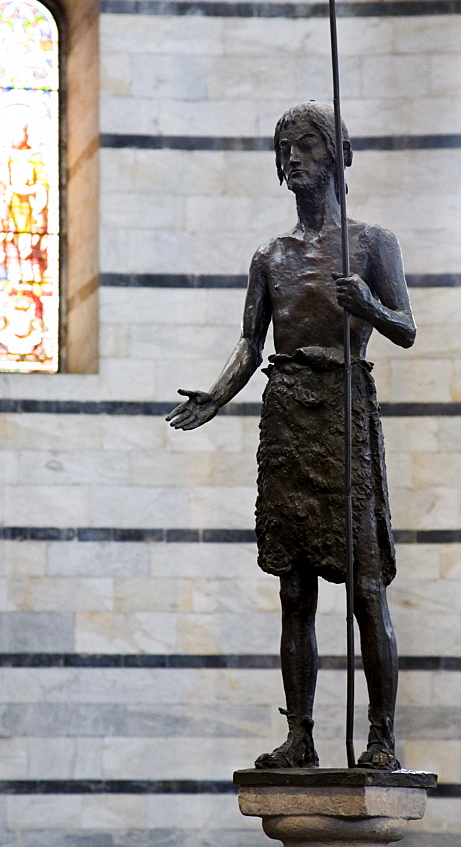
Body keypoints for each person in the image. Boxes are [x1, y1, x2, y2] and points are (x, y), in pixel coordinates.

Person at [166, 101, 415, 770]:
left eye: (305, 145)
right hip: (287, 417)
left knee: (365, 587)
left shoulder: (370, 244)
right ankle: (300, 735)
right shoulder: (269, 256)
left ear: (336, 155)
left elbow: (406, 328)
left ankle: (382, 739)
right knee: (295, 588)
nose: (292, 158)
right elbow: (250, 345)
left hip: (343, 410)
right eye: (284, 148)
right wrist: (217, 395)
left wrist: (368, 305)